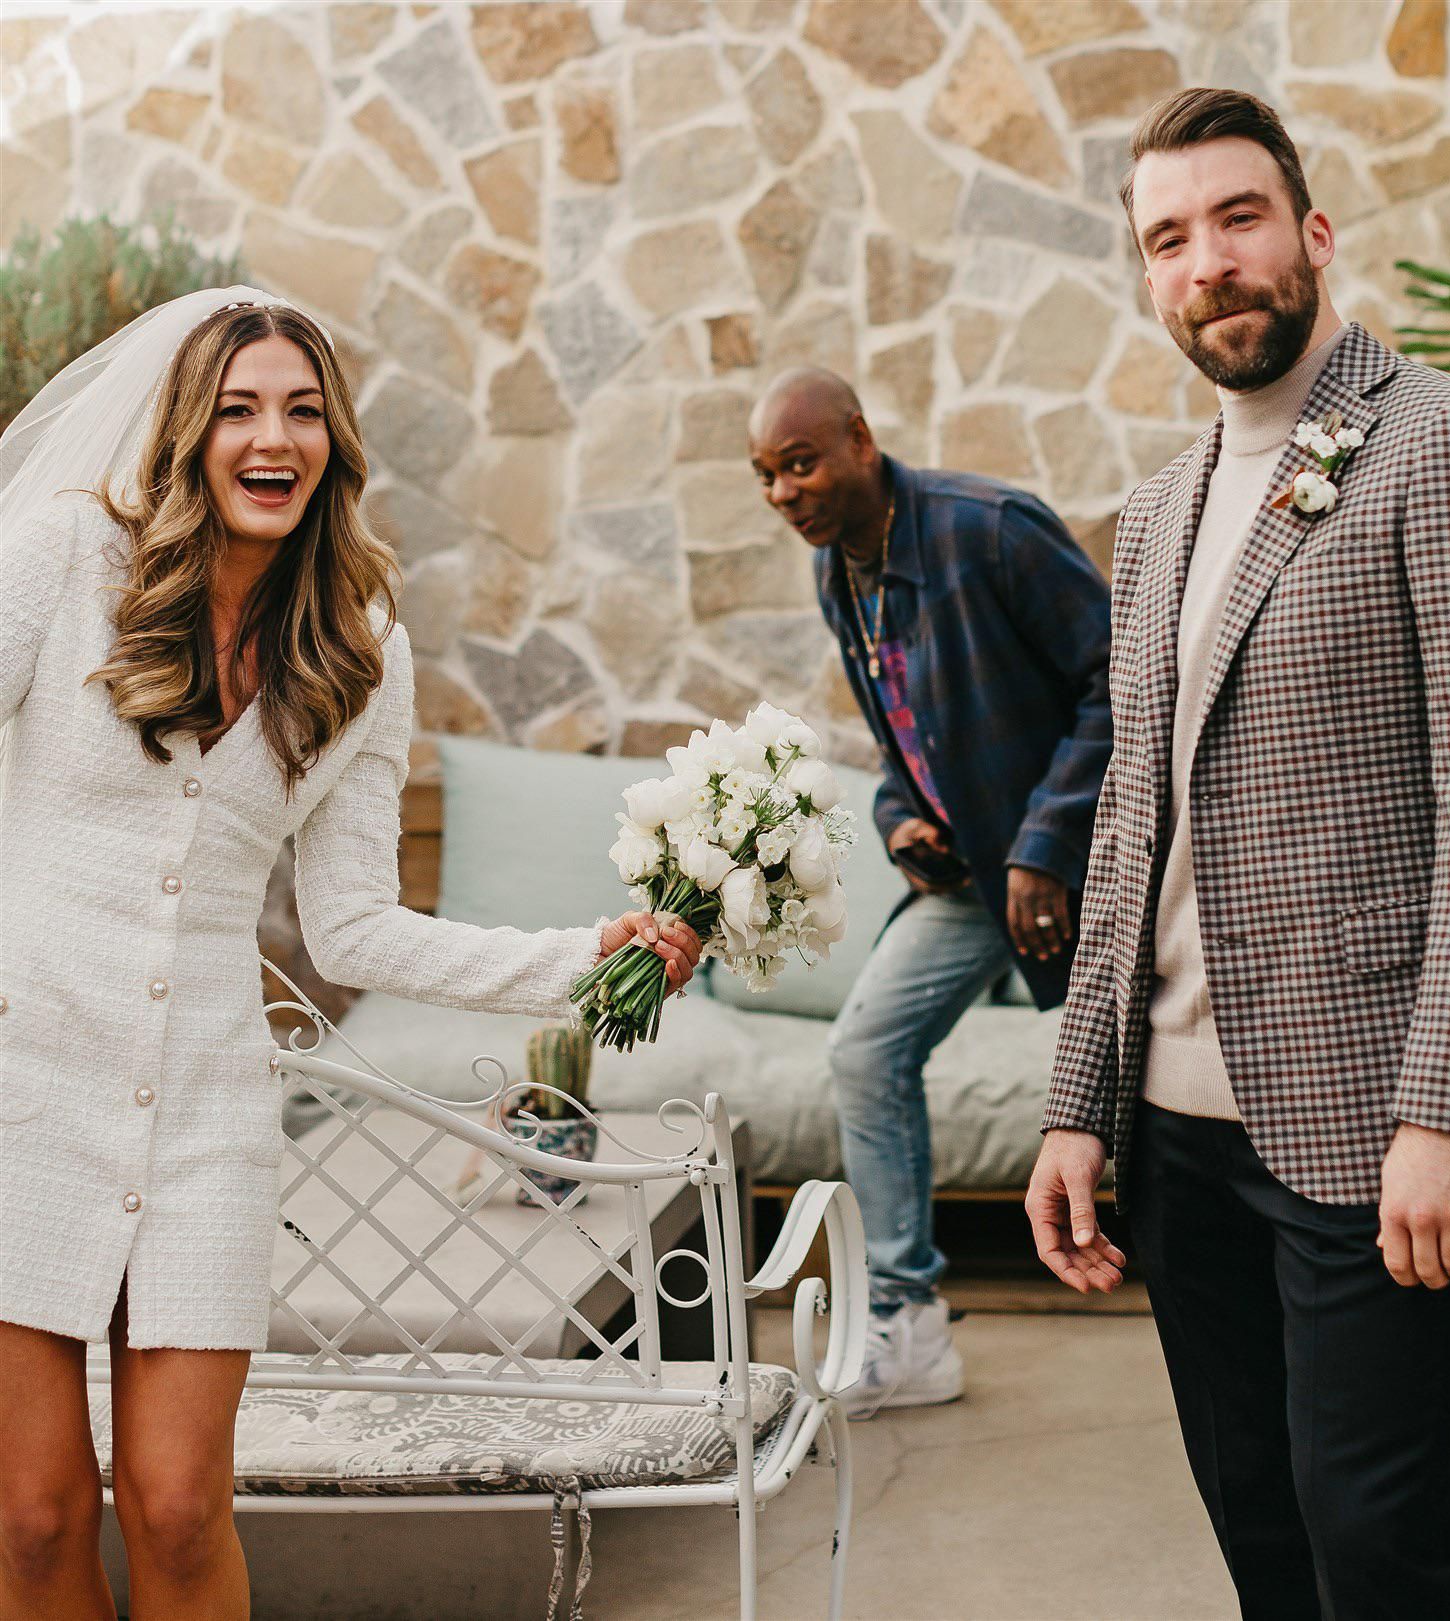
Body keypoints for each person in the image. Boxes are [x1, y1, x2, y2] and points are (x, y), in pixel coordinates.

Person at [0, 287, 701, 1620]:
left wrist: (580, 956)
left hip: (207, 1112)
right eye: (241, 409)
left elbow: (355, 929)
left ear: (336, 444)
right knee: (33, 1519)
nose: (275, 438)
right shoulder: (59, 562)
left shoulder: (362, 652)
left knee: (178, 1502)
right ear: (185, 429)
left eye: (305, 412)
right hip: (20, 1086)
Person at [1027, 89, 1450, 1620]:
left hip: (1370, 1127)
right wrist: (1076, 1107)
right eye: (1168, 239)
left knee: (1374, 1551)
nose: (1209, 263)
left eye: (1237, 219)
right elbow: (1130, 819)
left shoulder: (1446, 443)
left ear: (1311, 233)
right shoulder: (1157, 511)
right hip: (1179, 1139)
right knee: (1263, 1538)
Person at [749, 370, 1112, 1418]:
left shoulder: (987, 529)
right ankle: (907, 1323)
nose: (782, 493)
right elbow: (901, 738)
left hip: (1085, 864)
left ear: (861, 440)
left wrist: (1042, 845)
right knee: (863, 1049)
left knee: (1145, 1096)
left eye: (799, 462)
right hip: (972, 879)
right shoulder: (838, 576)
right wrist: (897, 821)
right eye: (765, 476)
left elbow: (1116, 676)